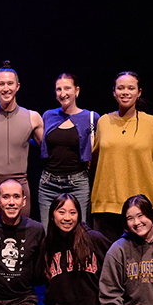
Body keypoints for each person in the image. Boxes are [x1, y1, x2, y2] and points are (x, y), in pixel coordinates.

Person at [91, 71, 153, 242]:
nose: (125, 92)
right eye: (121, 88)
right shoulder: (103, 121)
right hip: (105, 205)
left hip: (140, 208)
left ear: (139, 92)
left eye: (131, 88)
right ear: (114, 92)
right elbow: (94, 160)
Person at [39, 194, 111, 305]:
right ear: (52, 215)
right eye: (62, 212)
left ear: (79, 215)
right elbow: (39, 276)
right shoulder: (48, 243)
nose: (67, 218)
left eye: (73, 212)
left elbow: (116, 262)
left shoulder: (93, 239)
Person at [0, 61, 44, 219]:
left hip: (20, 183)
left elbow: (49, 149)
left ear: (18, 86)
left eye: (10, 83)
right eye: (1, 84)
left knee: (21, 237)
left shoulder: (32, 117)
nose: (6, 88)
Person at [38, 73, 97, 231]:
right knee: (47, 233)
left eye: (67, 88)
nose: (63, 93)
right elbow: (36, 140)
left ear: (77, 90)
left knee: (82, 232)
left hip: (78, 183)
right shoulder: (48, 115)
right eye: (59, 89)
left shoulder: (91, 117)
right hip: (48, 184)